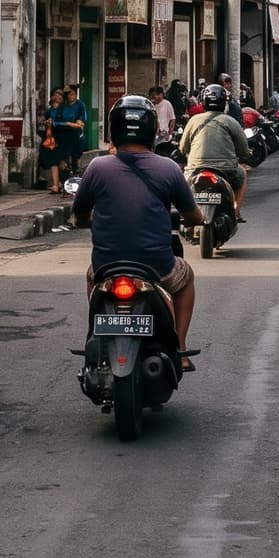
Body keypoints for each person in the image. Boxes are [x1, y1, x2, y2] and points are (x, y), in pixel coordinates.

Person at [71, 94, 202, 361]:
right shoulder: (168, 169)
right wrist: (189, 221)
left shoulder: (97, 167)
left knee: (90, 276)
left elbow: (79, 214)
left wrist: (89, 222)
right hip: (157, 266)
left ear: (114, 129)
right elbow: (194, 216)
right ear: (153, 130)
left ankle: (96, 334)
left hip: (107, 265)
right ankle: (180, 347)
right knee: (186, 277)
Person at [181, 84, 251, 218]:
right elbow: (243, 150)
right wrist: (246, 155)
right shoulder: (230, 121)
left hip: (195, 169)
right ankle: (235, 213)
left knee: (184, 186)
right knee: (242, 173)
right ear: (224, 102)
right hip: (227, 170)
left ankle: (186, 214)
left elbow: (183, 147)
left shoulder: (193, 120)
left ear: (203, 102)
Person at [50, 84, 87, 190]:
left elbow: (82, 122)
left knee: (76, 160)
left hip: (75, 135)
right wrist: (67, 124)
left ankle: (76, 184)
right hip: (63, 135)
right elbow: (55, 121)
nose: (71, 96)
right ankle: (65, 185)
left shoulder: (80, 105)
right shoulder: (62, 106)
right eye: (69, 94)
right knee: (63, 162)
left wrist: (77, 124)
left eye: (73, 94)